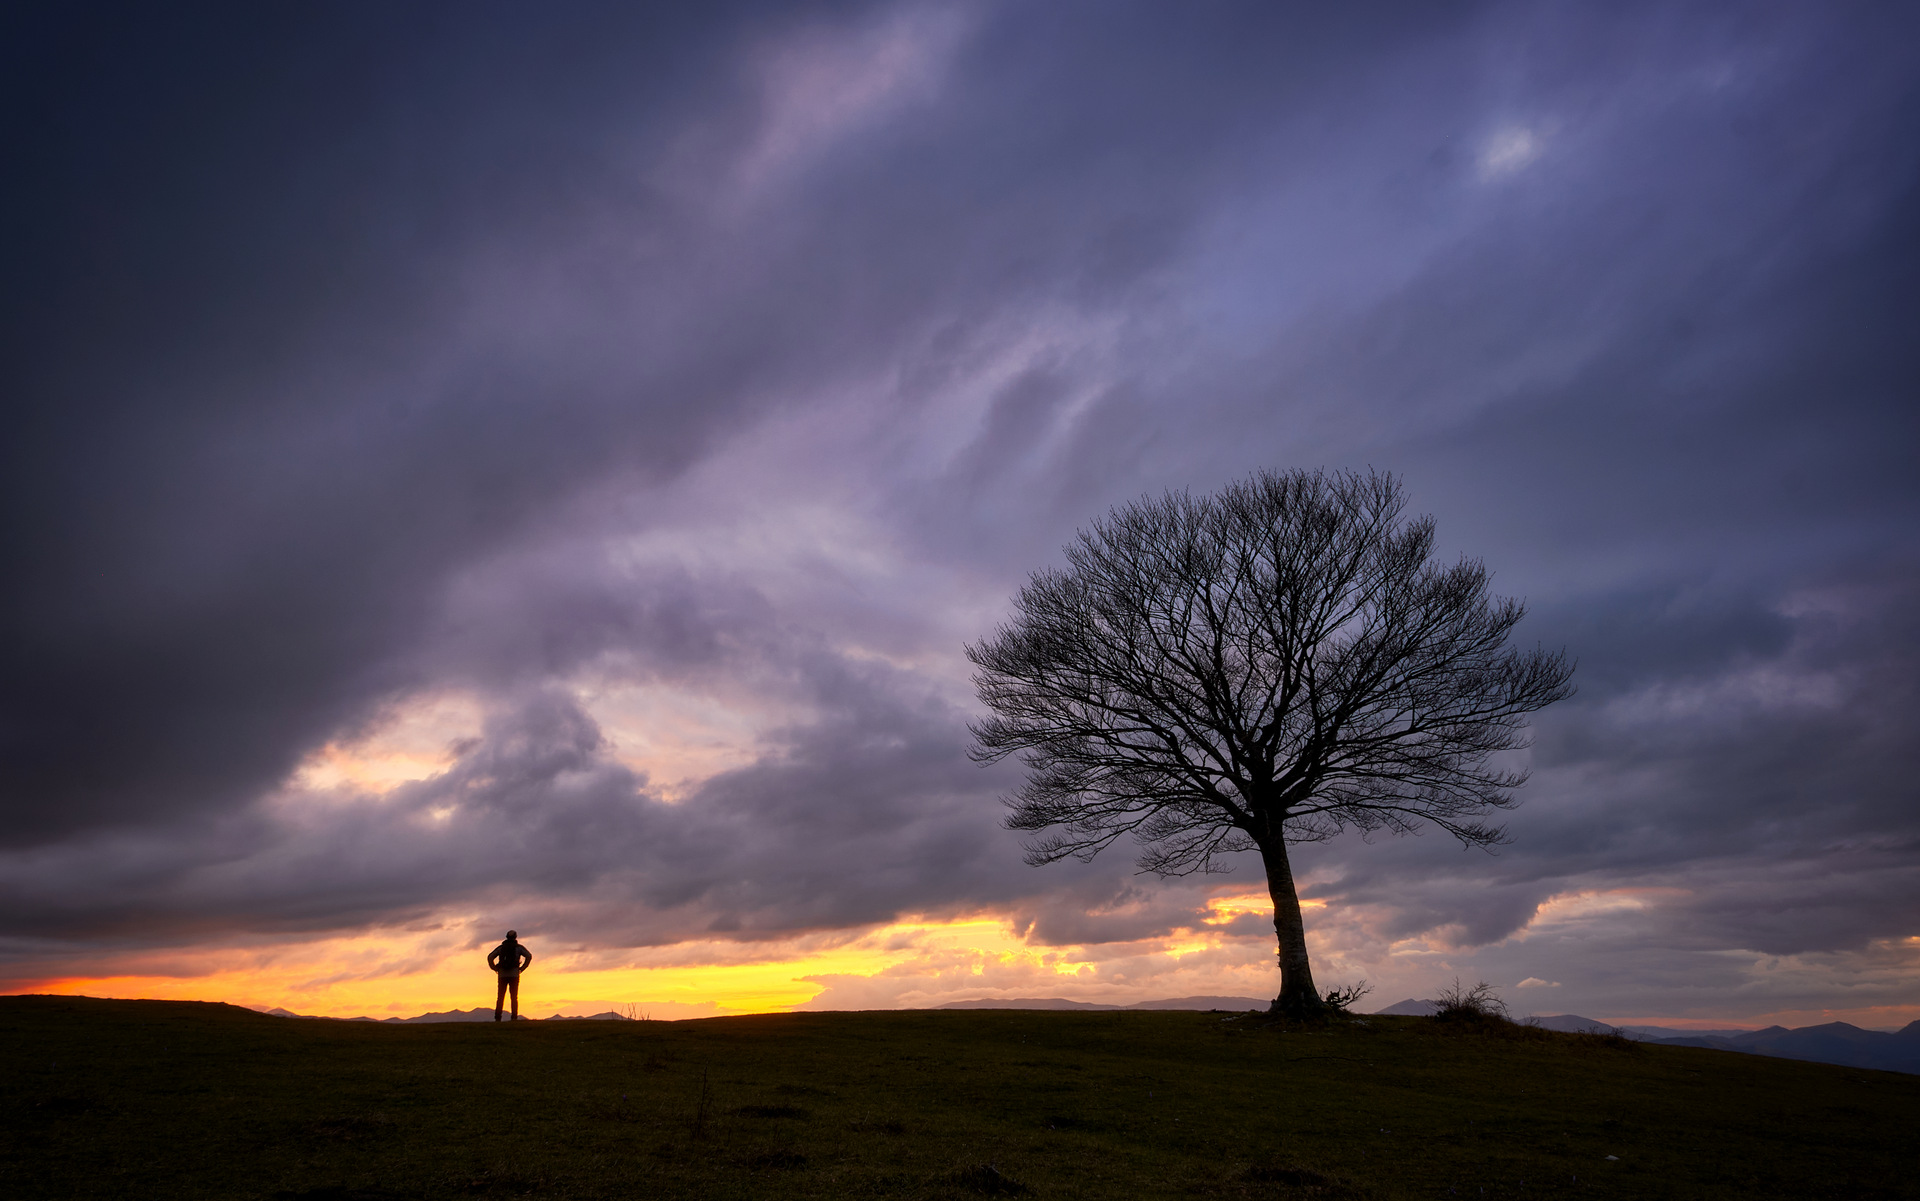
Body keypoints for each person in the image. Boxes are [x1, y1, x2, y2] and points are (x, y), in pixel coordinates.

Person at [487, 930, 533, 1021]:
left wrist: (495, 968)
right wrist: (522, 968)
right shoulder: (519, 948)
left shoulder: (501, 948)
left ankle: (498, 1017)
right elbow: (528, 956)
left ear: (506, 937)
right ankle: (514, 1017)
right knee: (514, 997)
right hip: (514, 974)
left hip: (502, 974)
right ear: (515, 937)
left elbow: (490, 957)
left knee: (500, 997)